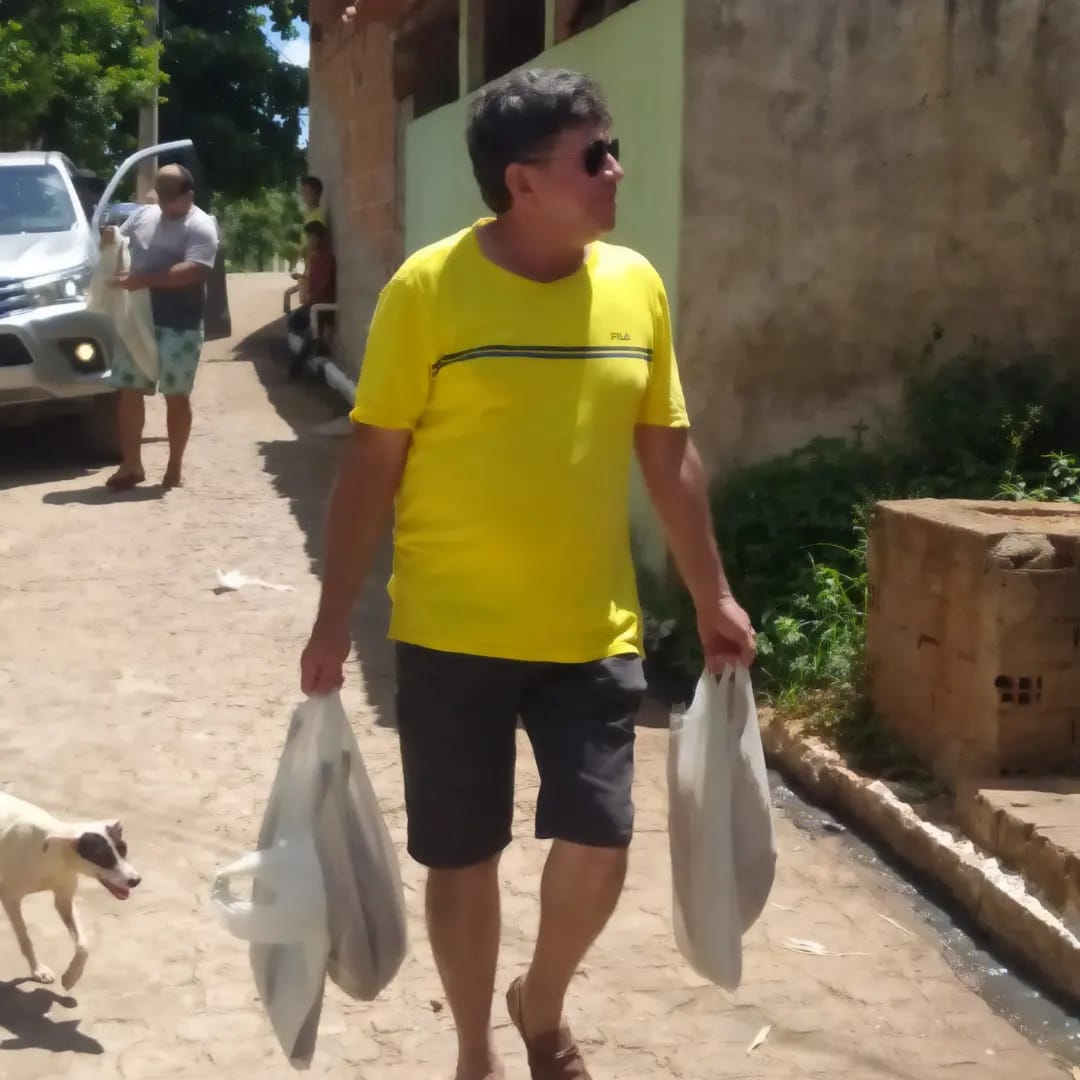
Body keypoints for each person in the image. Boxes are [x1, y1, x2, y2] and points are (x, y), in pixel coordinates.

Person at [299, 68, 755, 1080]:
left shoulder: (635, 286)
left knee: (601, 841)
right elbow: (372, 464)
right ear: (523, 182)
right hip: (451, 630)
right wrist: (332, 622)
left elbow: (668, 453)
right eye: (595, 156)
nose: (617, 170)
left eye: (613, 149)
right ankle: (476, 1050)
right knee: (462, 856)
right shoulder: (428, 291)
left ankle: (538, 1002)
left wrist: (711, 592)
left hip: (591, 629)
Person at [103, 164, 219, 490]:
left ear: (189, 195)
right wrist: (109, 238)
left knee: (176, 395)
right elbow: (119, 243)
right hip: (137, 319)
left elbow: (193, 270)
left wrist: (145, 280)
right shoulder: (143, 215)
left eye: (171, 198)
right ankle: (132, 465)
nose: (165, 204)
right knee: (128, 391)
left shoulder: (201, 226)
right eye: (162, 196)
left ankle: (174, 467)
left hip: (180, 325)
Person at [287, 220, 336, 377]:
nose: (310, 241)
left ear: (320, 238)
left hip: (323, 305)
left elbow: (323, 284)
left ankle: (296, 368)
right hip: (312, 304)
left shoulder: (327, 258)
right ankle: (317, 344)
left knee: (310, 332)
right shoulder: (314, 257)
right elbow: (312, 279)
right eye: (308, 238)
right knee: (292, 321)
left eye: (312, 238)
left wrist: (311, 299)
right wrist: (302, 277)